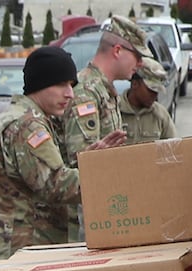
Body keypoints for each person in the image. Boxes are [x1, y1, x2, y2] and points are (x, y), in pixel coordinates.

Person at [0, 46, 125, 267]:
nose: (70, 93)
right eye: (61, 84)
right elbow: (56, 185)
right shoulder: (27, 126)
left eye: (71, 85)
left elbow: (38, 175)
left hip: (8, 249)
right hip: (13, 254)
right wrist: (111, 177)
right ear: (40, 84)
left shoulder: (19, 116)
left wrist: (85, 163)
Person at [63, 15, 152, 165]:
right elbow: (82, 163)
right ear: (117, 51)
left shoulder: (104, 89)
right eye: (137, 56)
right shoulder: (86, 93)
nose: (141, 64)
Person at [120, 57, 176, 144]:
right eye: (151, 90)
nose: (155, 95)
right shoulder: (114, 111)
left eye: (157, 91)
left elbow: (174, 148)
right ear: (135, 84)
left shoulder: (160, 115)